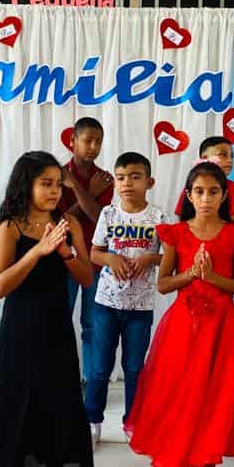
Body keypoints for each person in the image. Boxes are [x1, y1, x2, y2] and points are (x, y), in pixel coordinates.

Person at [0, 151, 112, 467]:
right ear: (26, 185)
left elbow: (86, 278)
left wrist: (65, 252)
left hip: (56, 326)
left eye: (58, 184)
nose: (55, 191)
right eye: (46, 184)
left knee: (66, 399)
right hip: (19, 330)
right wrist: (38, 251)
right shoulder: (10, 227)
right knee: (17, 401)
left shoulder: (69, 225)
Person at [126, 161, 234, 467]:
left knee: (218, 397)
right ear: (188, 195)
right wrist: (191, 275)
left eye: (213, 192)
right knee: (181, 396)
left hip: (222, 328)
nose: (206, 198)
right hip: (183, 327)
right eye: (199, 191)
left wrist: (212, 278)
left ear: (224, 195)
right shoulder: (177, 233)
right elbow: (164, 283)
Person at [87, 151, 165, 446]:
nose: (127, 183)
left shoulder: (159, 217)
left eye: (135, 177)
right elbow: (94, 253)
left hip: (140, 306)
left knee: (134, 367)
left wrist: (151, 258)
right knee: (99, 367)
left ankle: (133, 421)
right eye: (121, 178)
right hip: (106, 304)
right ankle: (92, 420)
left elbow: (170, 256)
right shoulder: (109, 214)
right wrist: (111, 258)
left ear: (149, 182)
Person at [58, 116, 113, 385]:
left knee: (92, 324)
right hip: (64, 258)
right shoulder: (57, 176)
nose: (93, 147)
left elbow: (99, 217)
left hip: (94, 259)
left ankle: (91, 379)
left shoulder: (104, 178)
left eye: (98, 142)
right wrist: (88, 193)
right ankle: (63, 379)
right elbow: (60, 221)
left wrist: (80, 189)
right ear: (72, 141)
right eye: (88, 140)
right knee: (60, 321)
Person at [174, 137, 234, 217]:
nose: (230, 160)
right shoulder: (193, 186)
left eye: (232, 156)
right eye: (223, 155)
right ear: (205, 158)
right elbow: (182, 217)